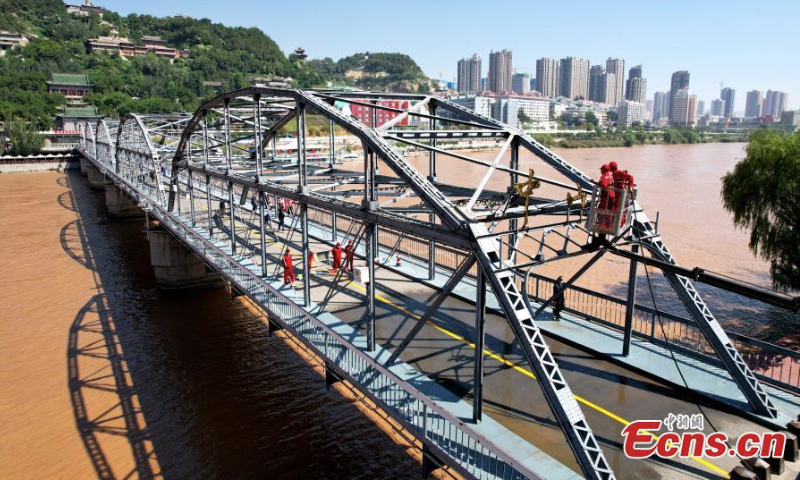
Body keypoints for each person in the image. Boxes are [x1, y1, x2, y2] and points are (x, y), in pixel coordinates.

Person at [598, 164, 615, 229]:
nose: (600, 171)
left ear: (603, 170)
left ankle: (602, 225)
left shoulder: (604, 176)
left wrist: (599, 184)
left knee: (600, 210)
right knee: (609, 211)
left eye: (601, 169)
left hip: (606, 196)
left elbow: (604, 186)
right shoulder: (610, 176)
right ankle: (609, 226)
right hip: (612, 196)